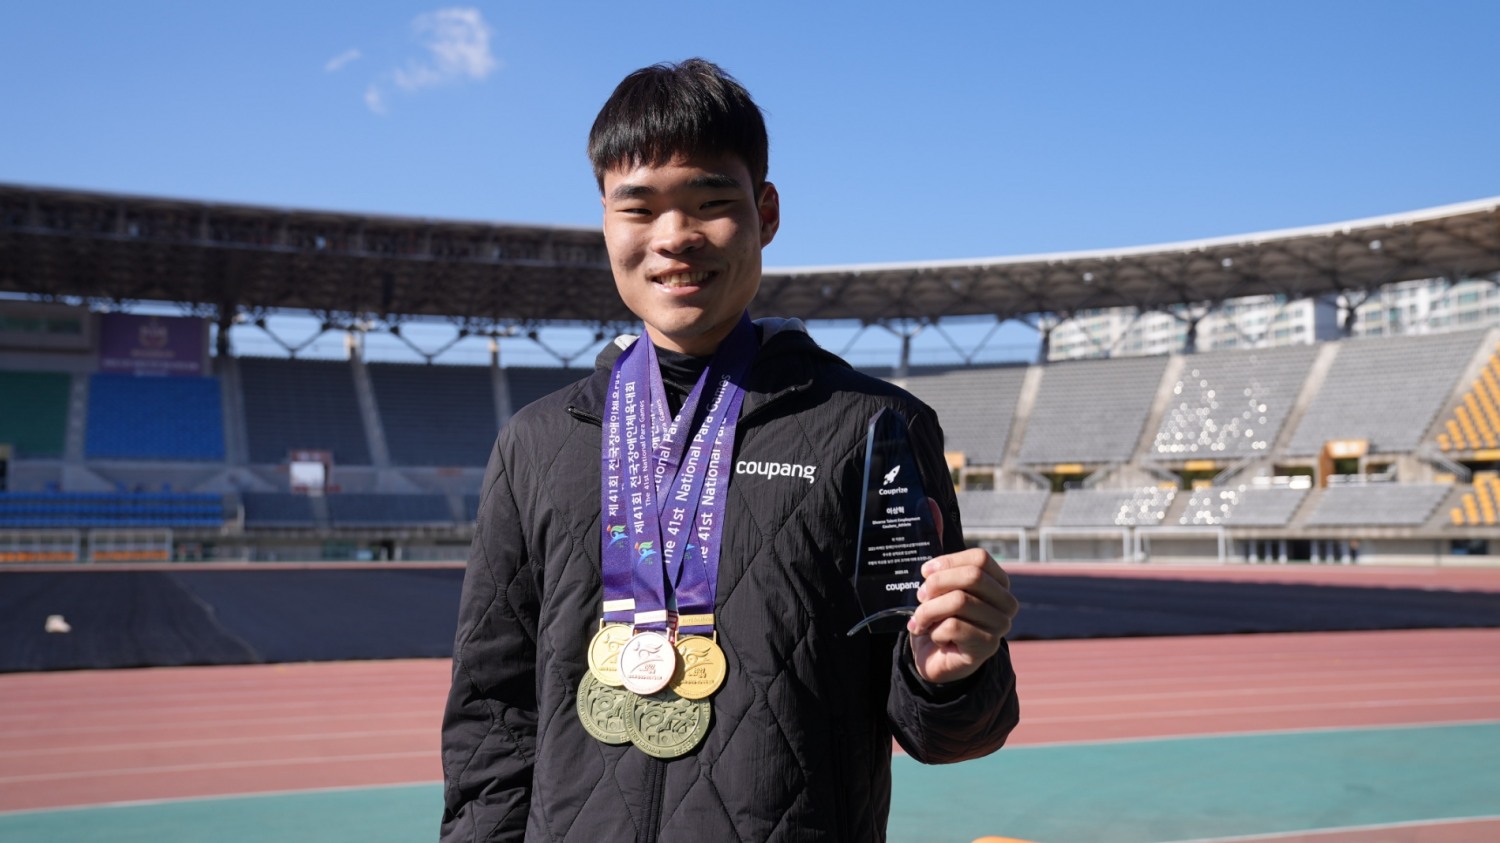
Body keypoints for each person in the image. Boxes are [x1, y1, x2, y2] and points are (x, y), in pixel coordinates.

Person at [441, 58, 1019, 843]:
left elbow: (945, 731)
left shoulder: (875, 430)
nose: (675, 237)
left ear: (765, 212)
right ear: (606, 222)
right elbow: (492, 714)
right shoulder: (537, 442)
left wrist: (952, 673)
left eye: (711, 203)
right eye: (639, 208)